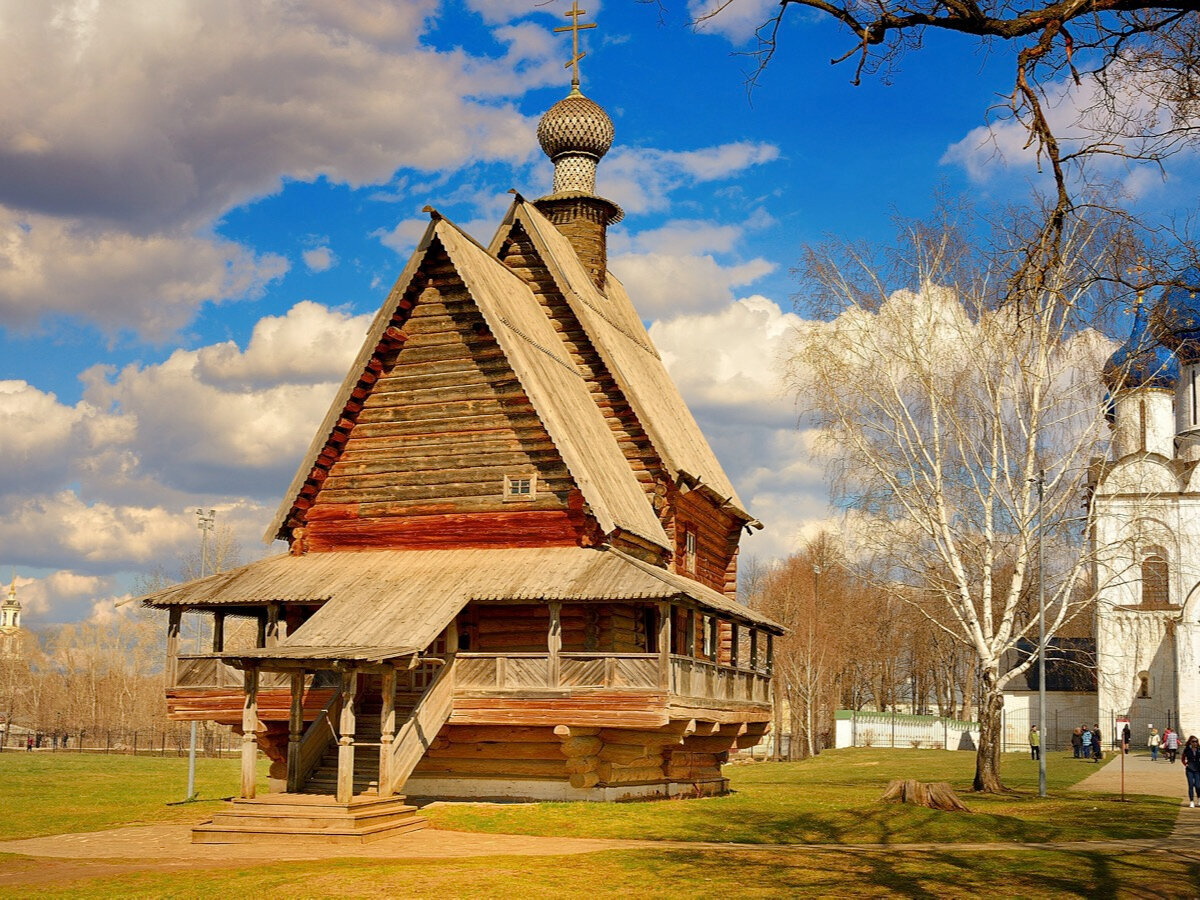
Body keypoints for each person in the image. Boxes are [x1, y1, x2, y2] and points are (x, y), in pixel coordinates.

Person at [1183, 735, 1200, 807]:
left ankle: (1199, 798)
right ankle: (1191, 801)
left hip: (1198, 769)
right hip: (1189, 769)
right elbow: (1182, 758)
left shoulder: (1199, 750)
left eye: (1196, 742)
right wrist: (1185, 764)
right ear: (1190, 742)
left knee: (1197, 785)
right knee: (1190, 785)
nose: (1195, 743)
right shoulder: (1187, 750)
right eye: (1193, 742)